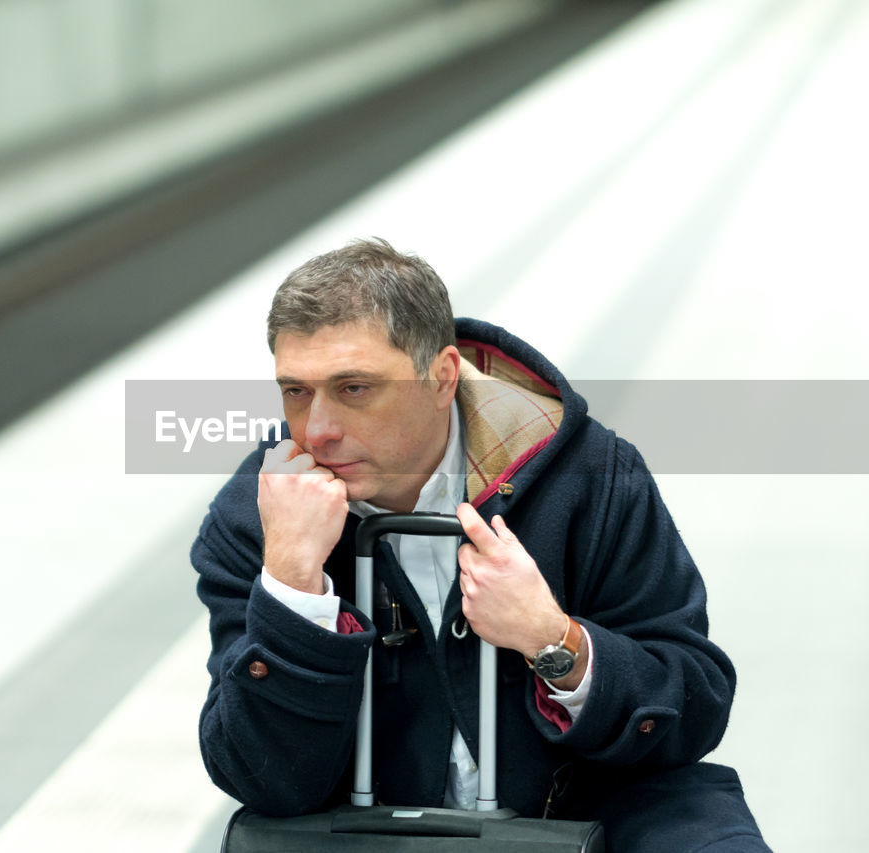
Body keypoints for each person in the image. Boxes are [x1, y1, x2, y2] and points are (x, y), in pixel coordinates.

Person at [192, 238, 769, 850]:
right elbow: (267, 782)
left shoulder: (589, 475)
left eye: (355, 388)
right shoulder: (256, 518)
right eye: (296, 391)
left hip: (598, 809)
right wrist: (292, 590)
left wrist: (555, 641)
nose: (319, 430)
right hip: (367, 830)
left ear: (442, 377)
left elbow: (693, 706)